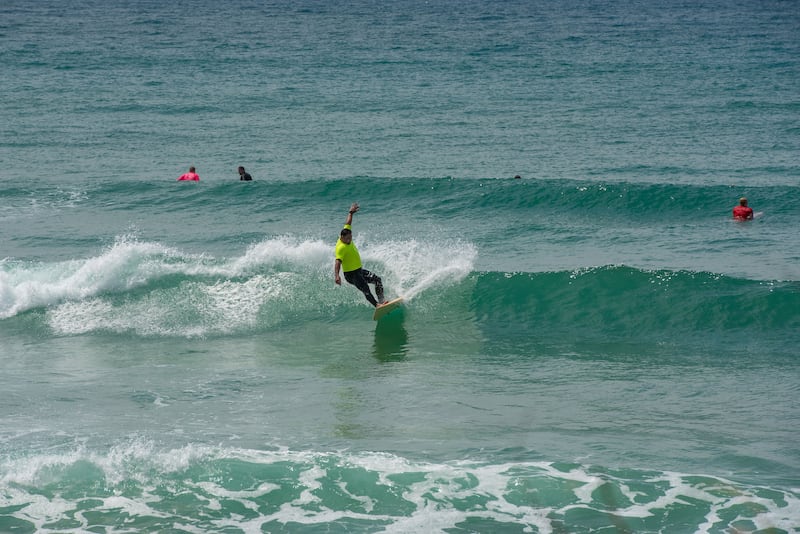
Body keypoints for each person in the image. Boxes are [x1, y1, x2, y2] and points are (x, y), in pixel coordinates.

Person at [334, 203, 386, 308]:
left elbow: (348, 222)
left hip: (359, 271)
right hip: (351, 275)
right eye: (347, 239)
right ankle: (377, 305)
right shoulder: (340, 248)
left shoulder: (347, 233)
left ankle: (382, 301)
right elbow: (337, 262)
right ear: (342, 237)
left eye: (351, 237)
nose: (349, 240)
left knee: (377, 280)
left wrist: (351, 213)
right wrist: (337, 275)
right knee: (365, 288)